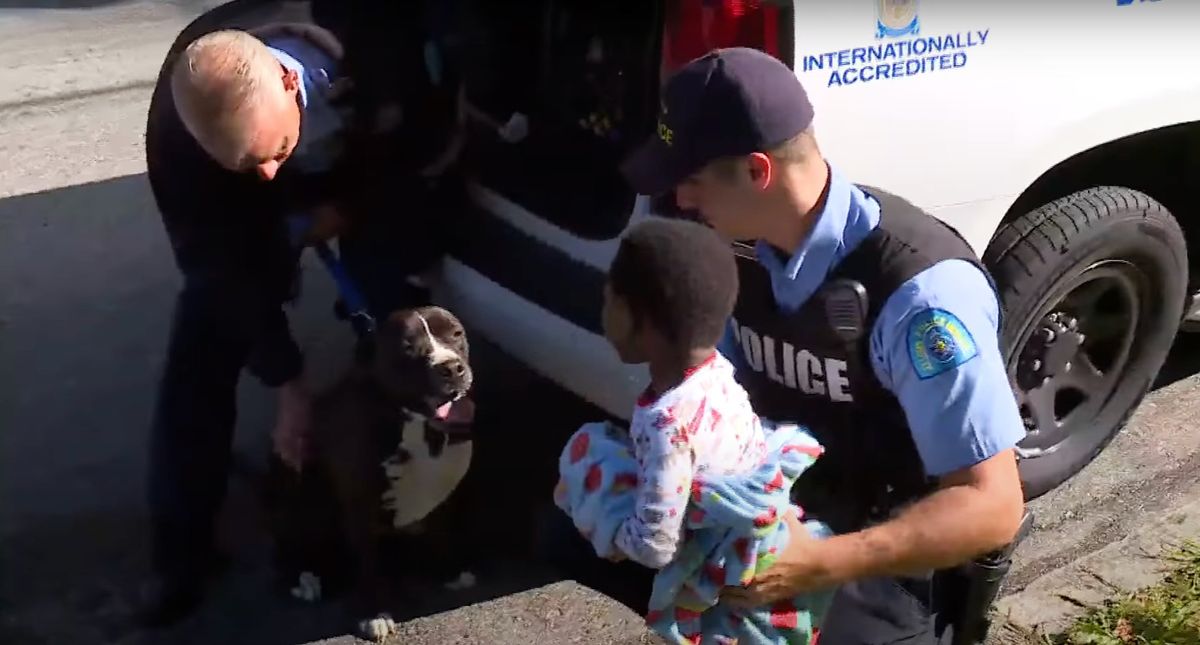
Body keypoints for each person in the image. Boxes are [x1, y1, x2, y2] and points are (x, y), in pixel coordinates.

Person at [613, 47, 1029, 644]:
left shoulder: (921, 297)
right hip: (775, 508)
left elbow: (992, 506)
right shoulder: (736, 246)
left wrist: (822, 563)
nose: (681, 199)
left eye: (693, 180)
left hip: (886, 553)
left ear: (759, 172)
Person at [550, 217, 837, 644]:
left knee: (582, 465)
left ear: (638, 320)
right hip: (749, 522)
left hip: (720, 565)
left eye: (610, 299)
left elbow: (655, 545)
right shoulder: (717, 369)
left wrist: (608, 532)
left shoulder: (666, 421)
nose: (603, 310)